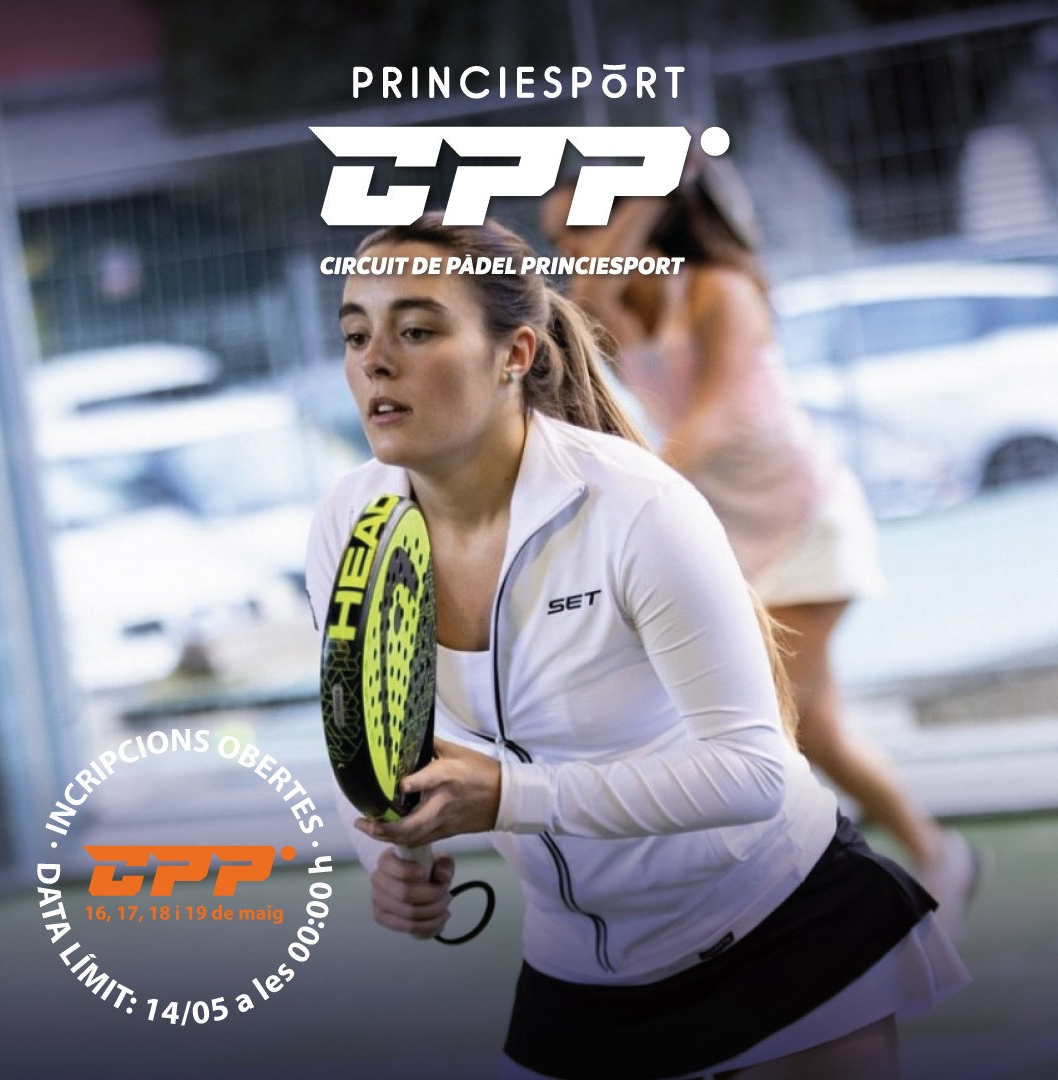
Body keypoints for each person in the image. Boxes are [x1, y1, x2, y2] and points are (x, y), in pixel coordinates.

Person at [305, 213, 967, 1080]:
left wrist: (512, 794)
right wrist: (393, 859)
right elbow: (362, 730)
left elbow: (753, 771)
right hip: (577, 976)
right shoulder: (348, 522)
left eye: (418, 330)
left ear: (515, 355)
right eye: (356, 335)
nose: (375, 362)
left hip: (782, 934)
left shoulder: (636, 506)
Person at [540, 165, 983, 943]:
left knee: (776, 733)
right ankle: (938, 855)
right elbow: (592, 316)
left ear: (633, 218)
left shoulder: (721, 290)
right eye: (558, 237)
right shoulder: (606, 303)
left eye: (582, 226)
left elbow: (715, 420)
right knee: (815, 730)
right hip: (736, 538)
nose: (570, 248)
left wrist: (648, 198)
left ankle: (835, 891)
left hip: (807, 524)